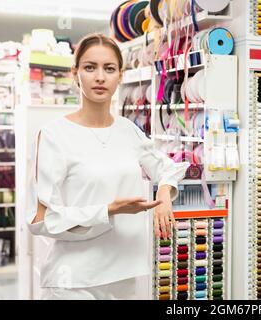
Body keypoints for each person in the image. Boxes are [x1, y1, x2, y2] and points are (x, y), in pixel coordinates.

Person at [26, 33, 189, 300]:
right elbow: (41, 220)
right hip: (73, 282)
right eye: (90, 68)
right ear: (75, 74)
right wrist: (107, 211)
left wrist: (163, 195)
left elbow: (169, 168)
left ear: (120, 76)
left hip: (123, 277)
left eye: (109, 68)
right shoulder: (54, 135)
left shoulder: (128, 131)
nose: (100, 77)